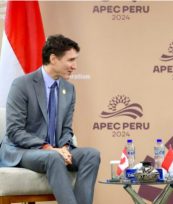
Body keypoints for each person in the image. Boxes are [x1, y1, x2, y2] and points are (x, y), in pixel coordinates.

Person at [0, 34, 100, 204]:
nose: (75, 66)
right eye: (70, 60)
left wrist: (65, 148)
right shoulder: (22, 85)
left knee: (91, 154)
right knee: (53, 157)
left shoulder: (68, 89)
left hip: (55, 151)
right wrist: (48, 148)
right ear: (53, 58)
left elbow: (67, 129)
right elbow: (15, 131)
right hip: (22, 151)